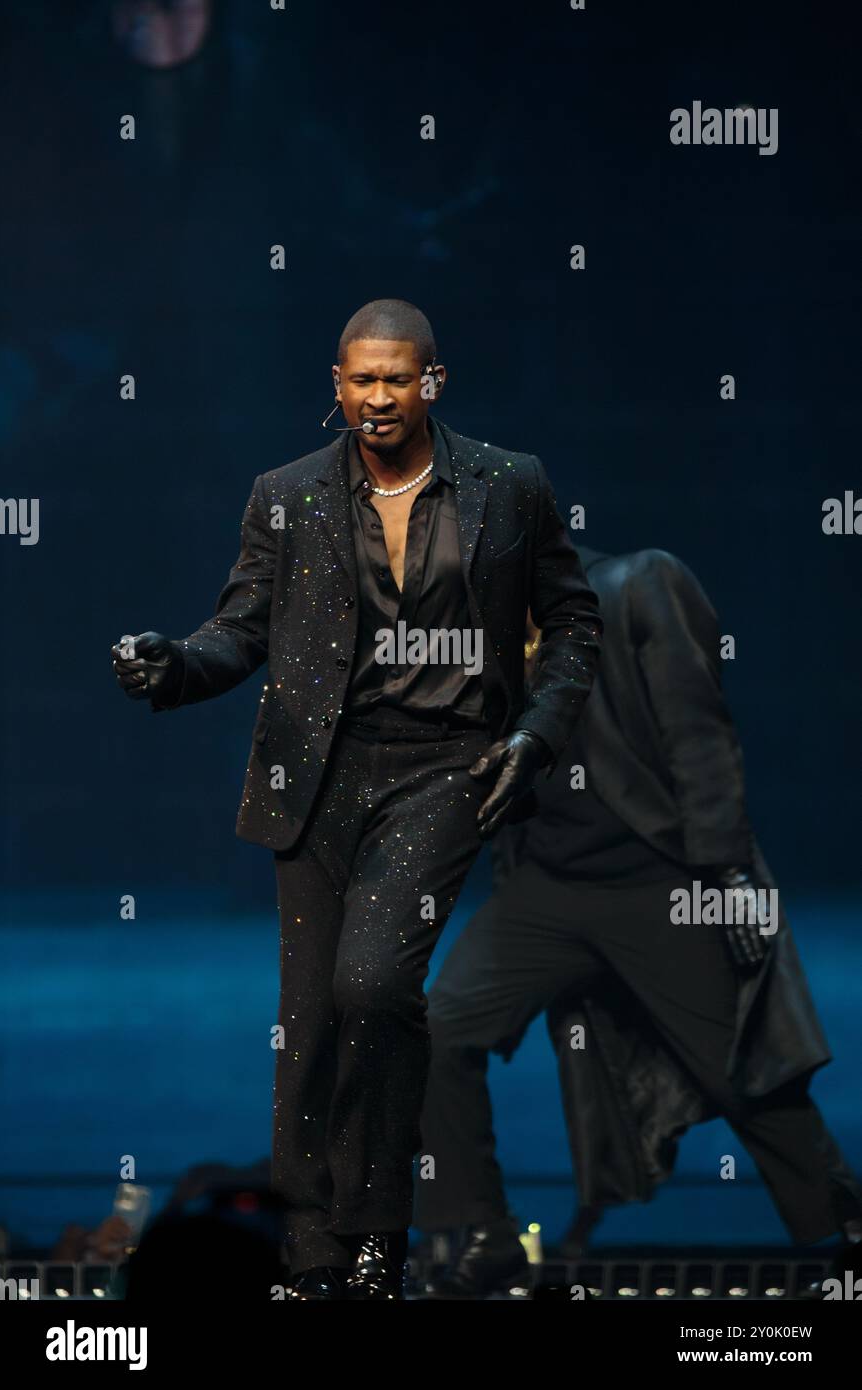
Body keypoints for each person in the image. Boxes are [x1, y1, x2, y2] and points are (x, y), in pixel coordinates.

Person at [111, 299, 602, 1299]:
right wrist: (171, 667)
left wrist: (537, 731)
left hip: (443, 769)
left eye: (396, 378)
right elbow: (238, 631)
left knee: (373, 985)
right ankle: (309, 1248)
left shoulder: (508, 486)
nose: (377, 396)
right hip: (315, 777)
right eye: (359, 379)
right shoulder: (285, 495)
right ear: (334, 385)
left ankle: (377, 1228)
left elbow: (573, 624)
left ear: (432, 381)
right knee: (309, 1024)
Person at [414, 545, 862, 1297]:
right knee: (437, 1028)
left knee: (741, 1071)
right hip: (548, 890)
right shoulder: (474, 626)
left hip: (659, 877)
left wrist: (727, 876)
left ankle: (851, 1227)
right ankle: (486, 1230)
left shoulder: (634, 585)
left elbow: (700, 735)